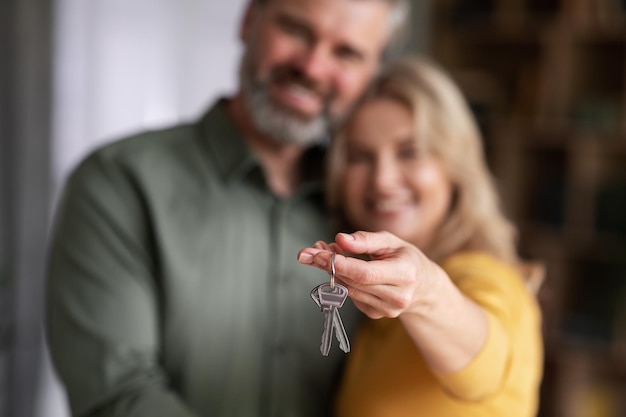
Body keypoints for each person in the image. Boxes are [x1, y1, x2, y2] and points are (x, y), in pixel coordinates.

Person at [45, 1, 410, 416]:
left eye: (346, 52)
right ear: (249, 21)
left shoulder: (371, 205)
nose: (312, 67)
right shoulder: (119, 182)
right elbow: (119, 398)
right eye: (296, 30)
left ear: (373, 73)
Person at [297, 56, 544, 417]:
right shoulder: (372, 311)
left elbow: (485, 366)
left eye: (410, 152)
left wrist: (426, 292)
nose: (382, 179)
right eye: (361, 157)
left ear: (454, 165)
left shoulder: (488, 278)